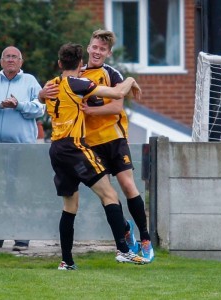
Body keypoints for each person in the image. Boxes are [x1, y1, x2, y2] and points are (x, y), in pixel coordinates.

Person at [44, 30, 154, 262]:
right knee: (106, 194)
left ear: (108, 53)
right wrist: (41, 93)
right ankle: (123, 241)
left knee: (125, 185)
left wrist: (90, 110)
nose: (97, 51)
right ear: (87, 49)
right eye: (94, 47)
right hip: (85, 145)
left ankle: (145, 238)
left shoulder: (111, 73)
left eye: (102, 49)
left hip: (112, 138)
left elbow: (116, 107)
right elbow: (52, 94)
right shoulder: (75, 77)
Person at [0, 46, 45, 251]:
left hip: (21, 148)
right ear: (1, 61)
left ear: (21, 62)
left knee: (20, 191)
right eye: (7, 57)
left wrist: (19, 105)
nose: (11, 60)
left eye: (15, 57)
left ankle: (22, 238)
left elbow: (40, 107)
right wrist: (0, 105)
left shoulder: (30, 81)